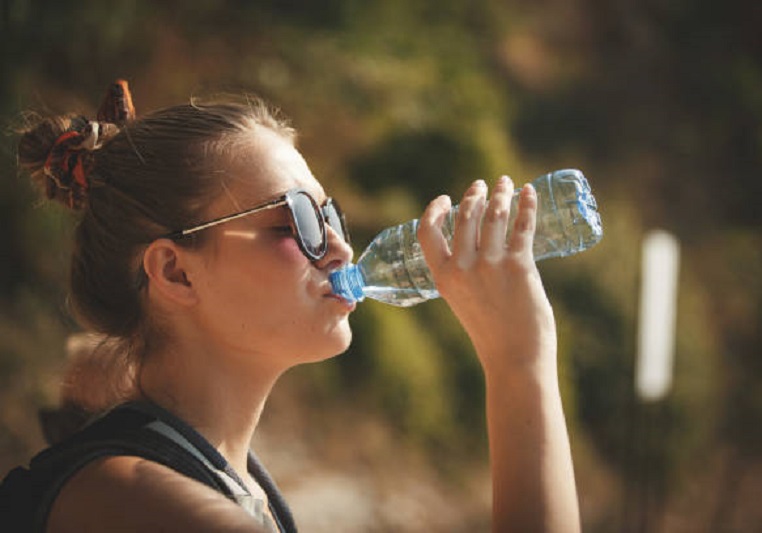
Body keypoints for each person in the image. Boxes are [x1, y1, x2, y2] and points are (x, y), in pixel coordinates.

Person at [8, 80, 581, 532]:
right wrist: (518, 363)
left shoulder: (230, 484)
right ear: (176, 271)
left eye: (330, 216)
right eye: (299, 219)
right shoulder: (135, 496)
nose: (341, 247)